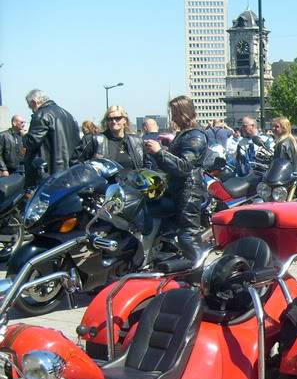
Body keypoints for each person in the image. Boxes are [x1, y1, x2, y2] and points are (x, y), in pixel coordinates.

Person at [144, 95, 208, 261]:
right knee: (174, 230)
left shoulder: (195, 135)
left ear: (185, 113)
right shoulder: (186, 134)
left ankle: (196, 273)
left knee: (188, 234)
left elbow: (185, 166)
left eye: (175, 113)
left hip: (188, 190)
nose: (173, 117)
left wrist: (160, 152)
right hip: (179, 188)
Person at [23, 89, 80, 187]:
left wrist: (24, 136)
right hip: (69, 171)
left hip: (48, 174)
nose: (31, 109)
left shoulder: (41, 114)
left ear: (34, 102)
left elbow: (31, 142)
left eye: (30, 106)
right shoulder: (68, 115)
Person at [72, 106, 148, 169]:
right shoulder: (93, 140)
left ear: (124, 120)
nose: (114, 121)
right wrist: (91, 170)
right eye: (110, 119)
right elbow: (75, 163)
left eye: (117, 118)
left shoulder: (136, 141)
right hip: (105, 186)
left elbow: (147, 164)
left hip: (132, 186)